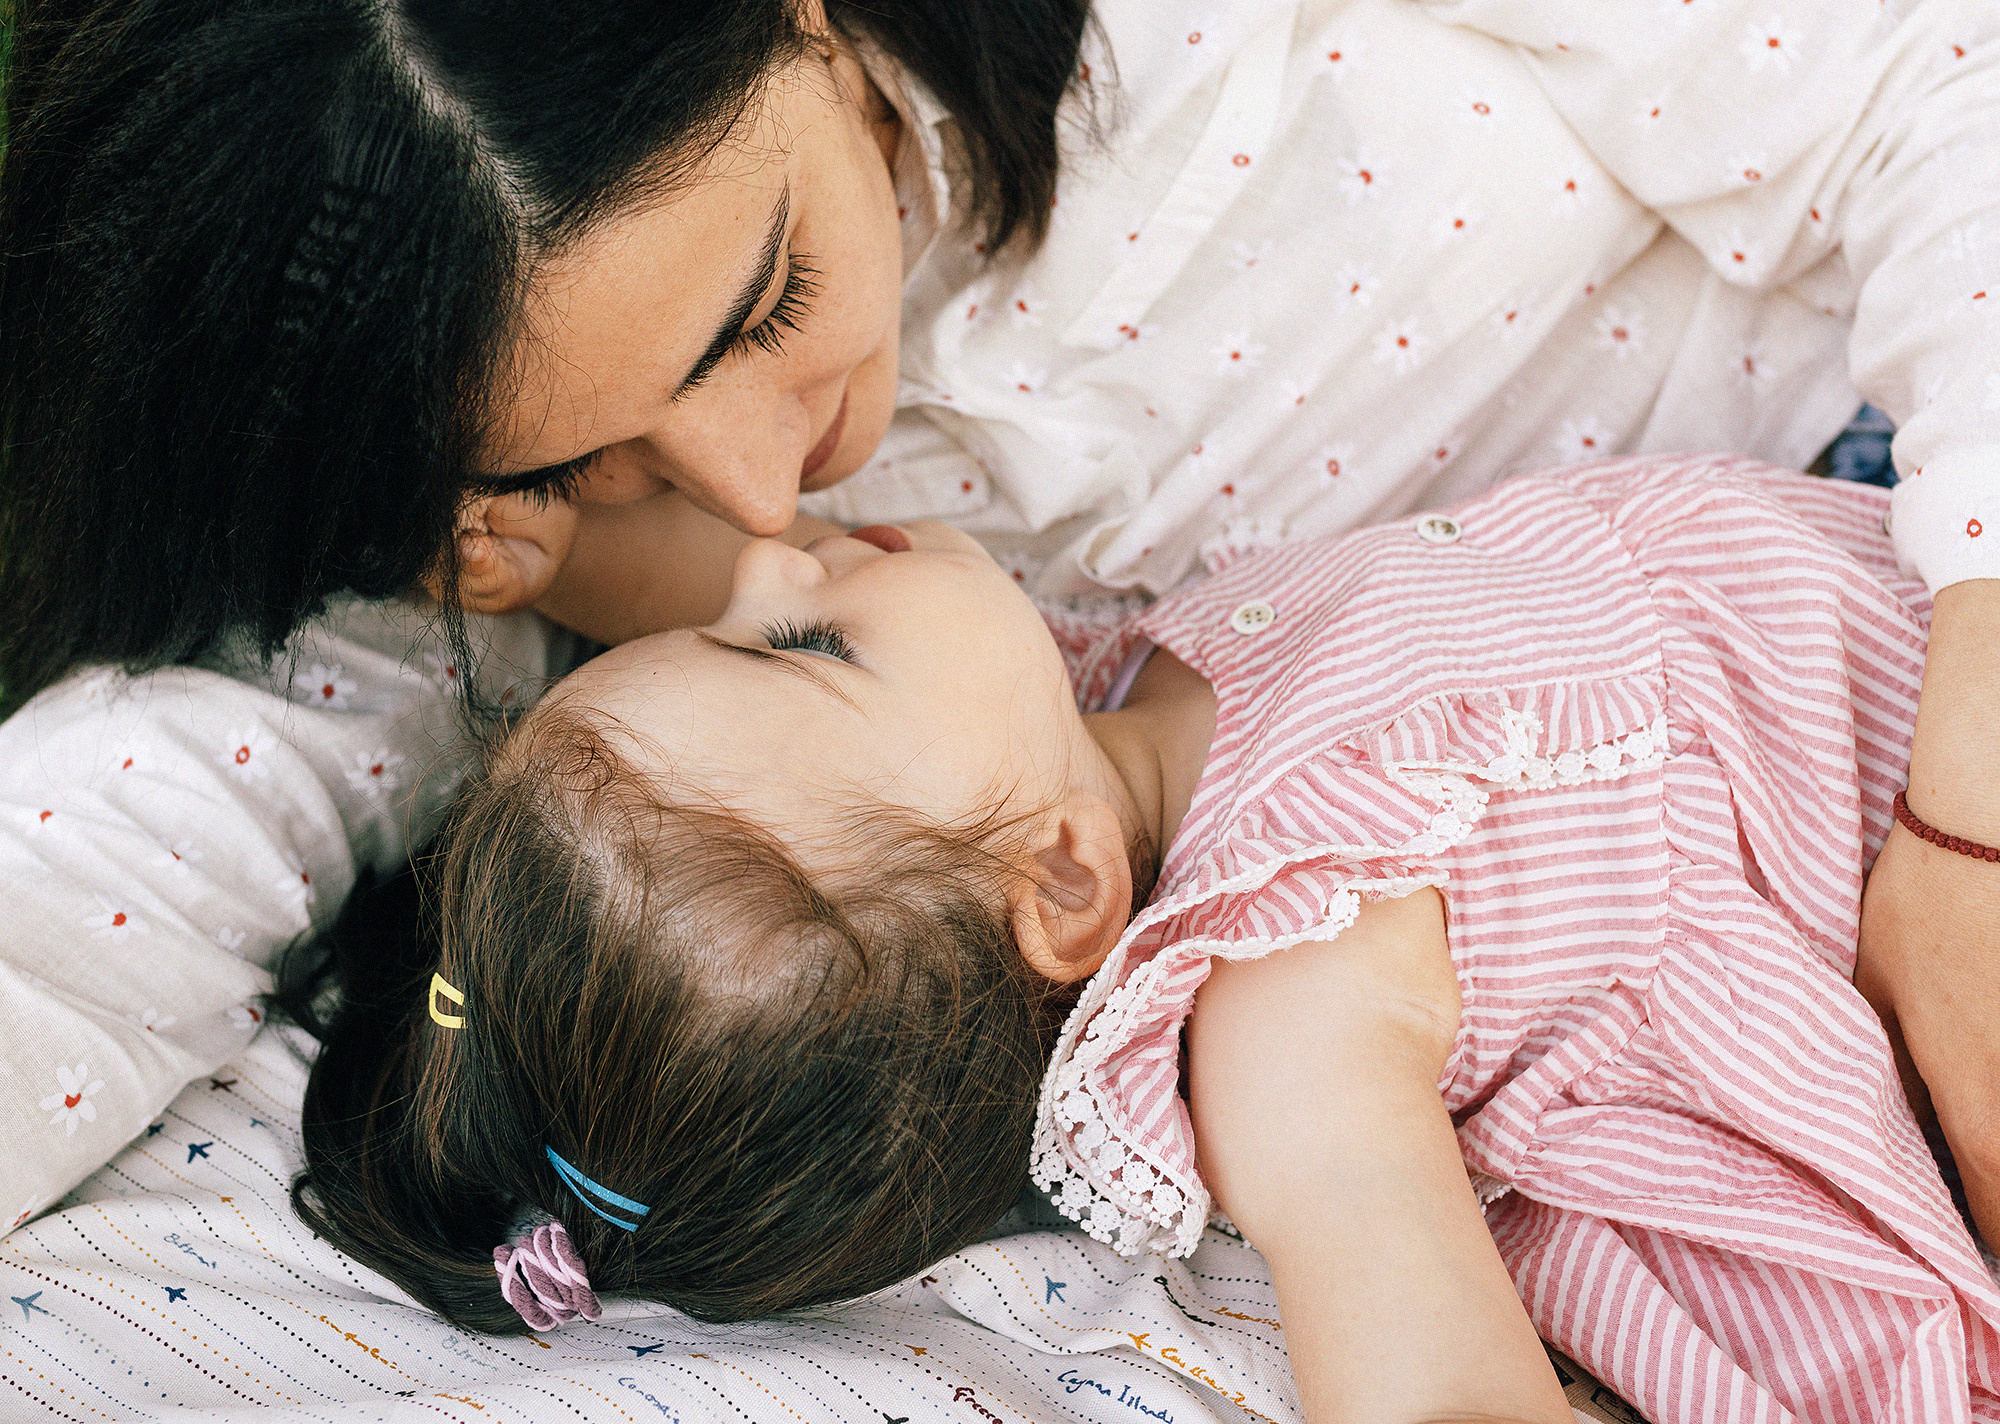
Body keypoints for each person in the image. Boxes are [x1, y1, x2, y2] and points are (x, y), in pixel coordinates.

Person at [1, 0, 1996, 1257]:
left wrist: (1971, 804)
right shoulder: (492, 549)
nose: (767, 503)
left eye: (769, 298)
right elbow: (112, 864)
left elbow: (1942, 79)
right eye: (602, 458)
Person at [291, 453, 2000, 1424]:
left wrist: (576, 547)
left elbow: (752, 684)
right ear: (1060, 889)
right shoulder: (1293, 992)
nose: (763, 559)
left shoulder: (1080, 737)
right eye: (803, 642)